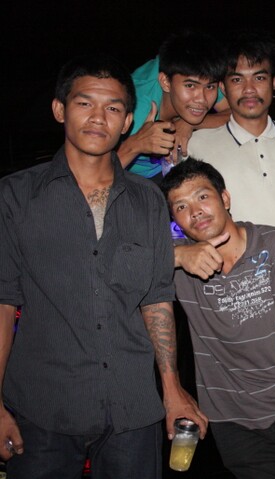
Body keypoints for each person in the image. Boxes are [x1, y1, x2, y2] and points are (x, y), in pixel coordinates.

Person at [0, 54, 207, 478]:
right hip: (43, 408)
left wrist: (172, 390)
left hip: (132, 407)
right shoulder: (16, 196)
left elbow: (156, 299)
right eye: (85, 103)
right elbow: (3, 302)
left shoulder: (147, 200)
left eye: (113, 107)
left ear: (127, 121)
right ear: (60, 110)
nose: (98, 117)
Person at [160, 159, 275, 479]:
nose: (195, 211)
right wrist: (177, 255)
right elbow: (111, 259)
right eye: (181, 206)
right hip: (232, 420)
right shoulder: (177, 262)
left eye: (203, 197)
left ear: (225, 198)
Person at [188, 30, 275, 232]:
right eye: (237, 80)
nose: (249, 89)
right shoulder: (197, 145)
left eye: (259, 78)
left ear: (274, 83)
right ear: (223, 87)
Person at [119, 31, 228, 182]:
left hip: (169, 163)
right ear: (165, 82)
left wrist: (189, 124)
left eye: (210, 87)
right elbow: (93, 174)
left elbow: (237, 116)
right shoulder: (133, 108)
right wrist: (135, 144)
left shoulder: (200, 72)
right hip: (127, 172)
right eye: (190, 86)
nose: (201, 99)